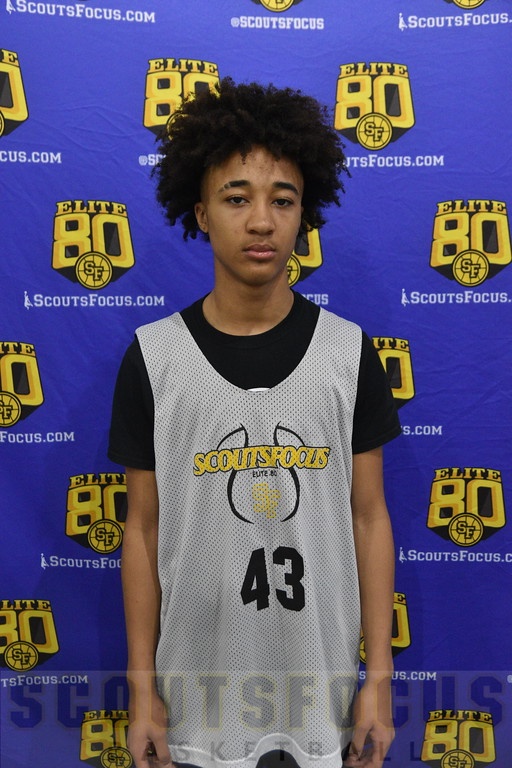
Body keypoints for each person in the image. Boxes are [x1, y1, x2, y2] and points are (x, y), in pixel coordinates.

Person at [109, 78, 401, 768]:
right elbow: (142, 530)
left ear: (305, 214)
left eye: (283, 200)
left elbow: (368, 519)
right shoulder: (154, 356)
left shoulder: (349, 352)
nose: (262, 222)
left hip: (321, 689)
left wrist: (379, 680)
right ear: (202, 212)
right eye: (237, 198)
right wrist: (142, 689)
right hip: (196, 691)